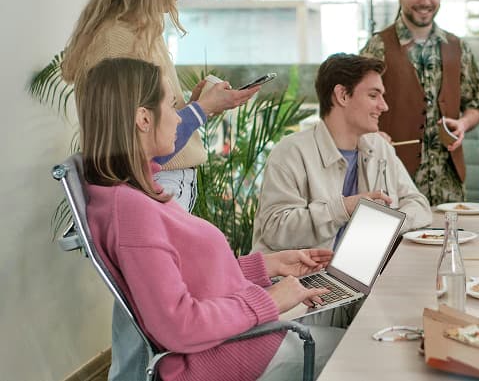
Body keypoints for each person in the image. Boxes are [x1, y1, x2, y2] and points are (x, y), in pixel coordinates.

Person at [59, 0, 259, 381]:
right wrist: (201, 111)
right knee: (146, 333)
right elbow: (134, 143)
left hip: (159, 183)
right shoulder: (119, 40)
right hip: (152, 183)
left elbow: (146, 123)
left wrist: (185, 110)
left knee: (142, 329)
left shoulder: (135, 33)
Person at [78, 57, 344, 381]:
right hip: (229, 359)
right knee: (365, 351)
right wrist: (270, 301)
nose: (178, 119)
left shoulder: (139, 191)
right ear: (143, 119)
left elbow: (189, 277)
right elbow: (179, 326)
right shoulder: (132, 211)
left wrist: (267, 266)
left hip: (242, 343)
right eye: (171, 106)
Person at [254, 53, 432, 254]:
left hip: (360, 274)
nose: (384, 106)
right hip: (300, 280)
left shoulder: (380, 148)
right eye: (373, 95)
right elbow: (275, 229)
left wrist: (386, 225)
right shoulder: (290, 153)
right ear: (343, 96)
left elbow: (418, 205)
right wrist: (343, 209)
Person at [360, 0, 479, 206]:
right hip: (394, 184)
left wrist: (463, 123)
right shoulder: (377, 47)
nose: (425, 1)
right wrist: (373, 135)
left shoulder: (458, 47)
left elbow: (475, 105)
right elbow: (357, 107)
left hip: (449, 186)